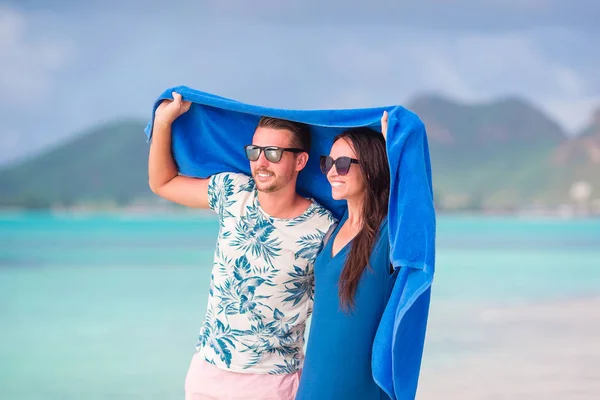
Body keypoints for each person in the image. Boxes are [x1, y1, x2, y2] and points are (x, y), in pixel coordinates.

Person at [148, 92, 337, 400]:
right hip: (207, 374)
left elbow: (338, 309)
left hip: (272, 384)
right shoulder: (233, 191)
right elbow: (163, 183)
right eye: (255, 151)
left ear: (300, 160)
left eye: (273, 153)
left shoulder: (323, 228)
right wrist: (163, 122)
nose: (261, 163)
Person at [295, 111, 396, 399]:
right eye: (327, 162)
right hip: (313, 387)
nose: (330, 172)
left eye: (342, 164)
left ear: (372, 167)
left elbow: (417, 213)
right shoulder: (332, 230)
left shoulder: (389, 234)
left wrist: (396, 148)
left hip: (358, 389)